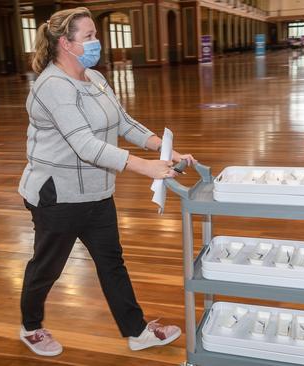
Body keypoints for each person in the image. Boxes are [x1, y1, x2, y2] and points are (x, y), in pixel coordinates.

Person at [17, 7, 195, 357]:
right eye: (89, 36)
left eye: (95, 34)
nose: (97, 41)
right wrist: (145, 168)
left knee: (112, 262)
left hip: (96, 192)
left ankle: (136, 330)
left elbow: (123, 122)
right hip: (58, 196)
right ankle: (31, 326)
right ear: (65, 44)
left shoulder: (95, 78)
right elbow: (84, 145)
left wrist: (162, 147)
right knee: (47, 267)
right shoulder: (51, 86)